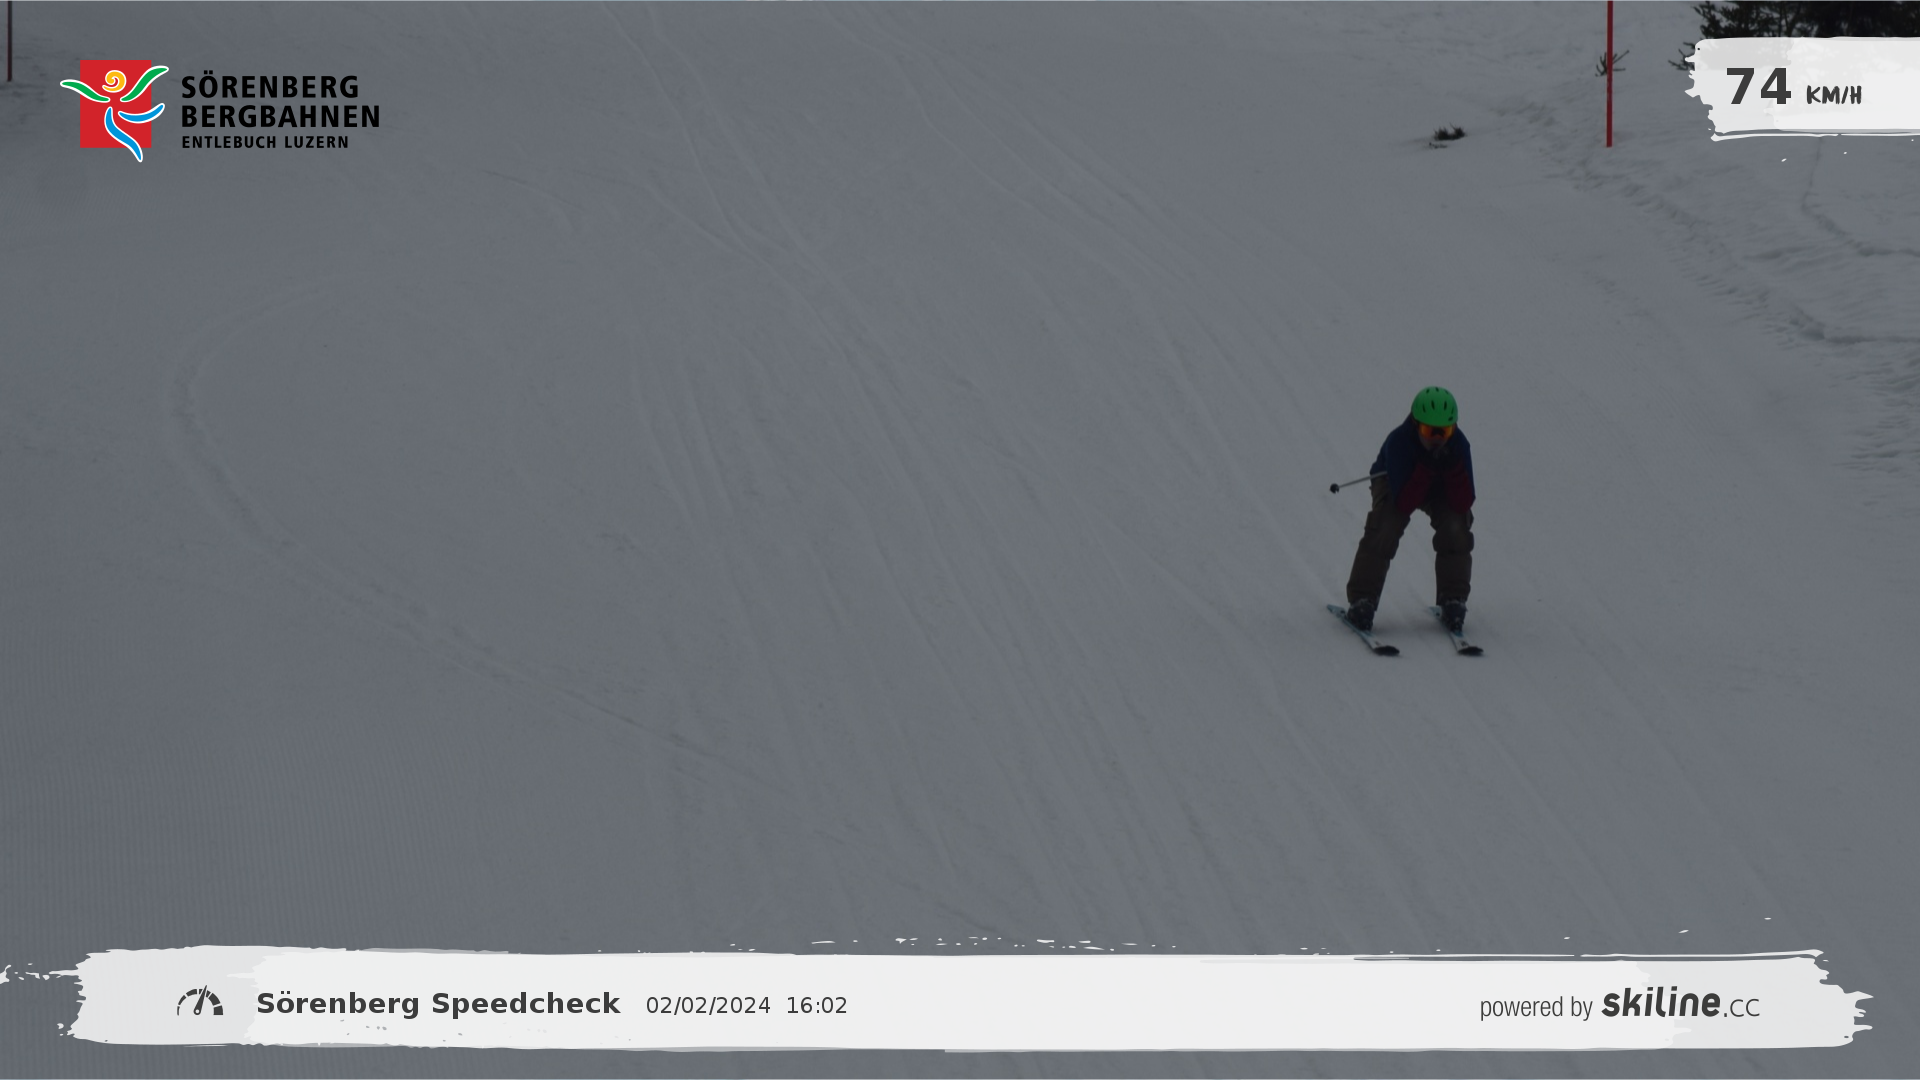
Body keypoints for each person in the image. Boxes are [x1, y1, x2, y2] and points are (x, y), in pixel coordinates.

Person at [1344, 386, 1475, 633]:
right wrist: (1425, 467)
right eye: (1429, 430)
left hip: (1439, 484)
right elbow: (1404, 503)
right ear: (1416, 425)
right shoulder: (1400, 442)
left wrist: (1453, 469)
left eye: (1445, 431)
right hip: (1396, 482)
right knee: (1385, 526)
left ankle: (1453, 599)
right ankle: (1362, 600)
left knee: (1456, 525)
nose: (1438, 438)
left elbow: (1463, 503)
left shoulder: (1459, 445)